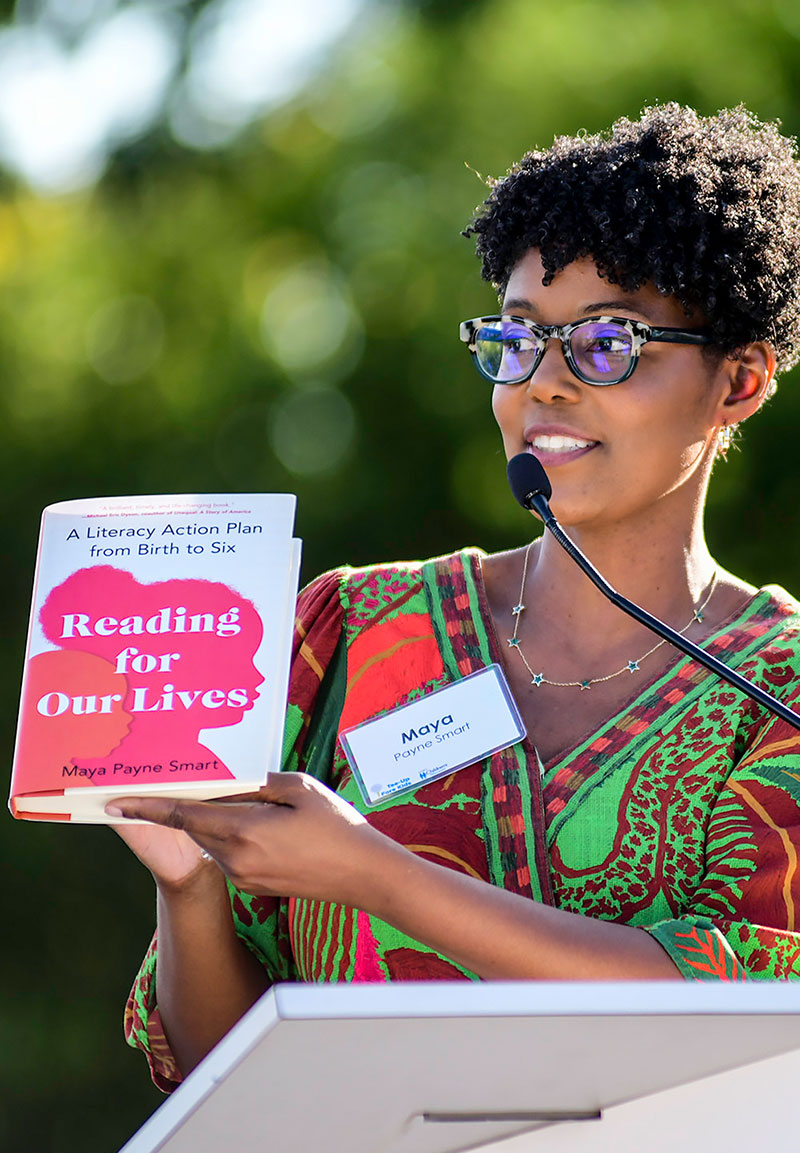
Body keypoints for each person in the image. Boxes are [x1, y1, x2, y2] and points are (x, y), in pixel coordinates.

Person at [112, 103, 800, 1093]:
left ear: (738, 380)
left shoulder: (777, 685)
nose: (544, 387)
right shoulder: (348, 631)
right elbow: (225, 1078)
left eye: (604, 344)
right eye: (515, 341)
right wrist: (186, 887)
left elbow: (737, 1006)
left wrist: (374, 875)